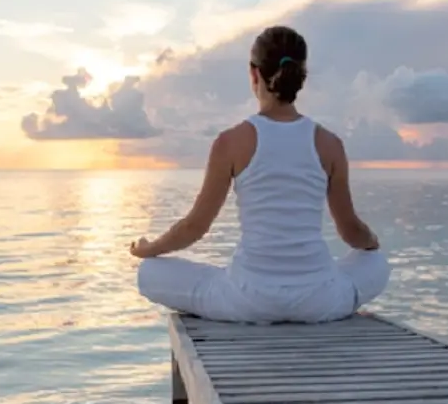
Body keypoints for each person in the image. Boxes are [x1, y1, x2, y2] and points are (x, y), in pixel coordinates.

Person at [129, 25, 391, 324]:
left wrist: (149, 249)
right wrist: (372, 241)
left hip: (248, 299)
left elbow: (194, 227)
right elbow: (351, 231)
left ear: (254, 74)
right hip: (318, 300)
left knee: (150, 271)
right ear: (302, 76)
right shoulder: (330, 144)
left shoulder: (230, 142)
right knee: (376, 262)